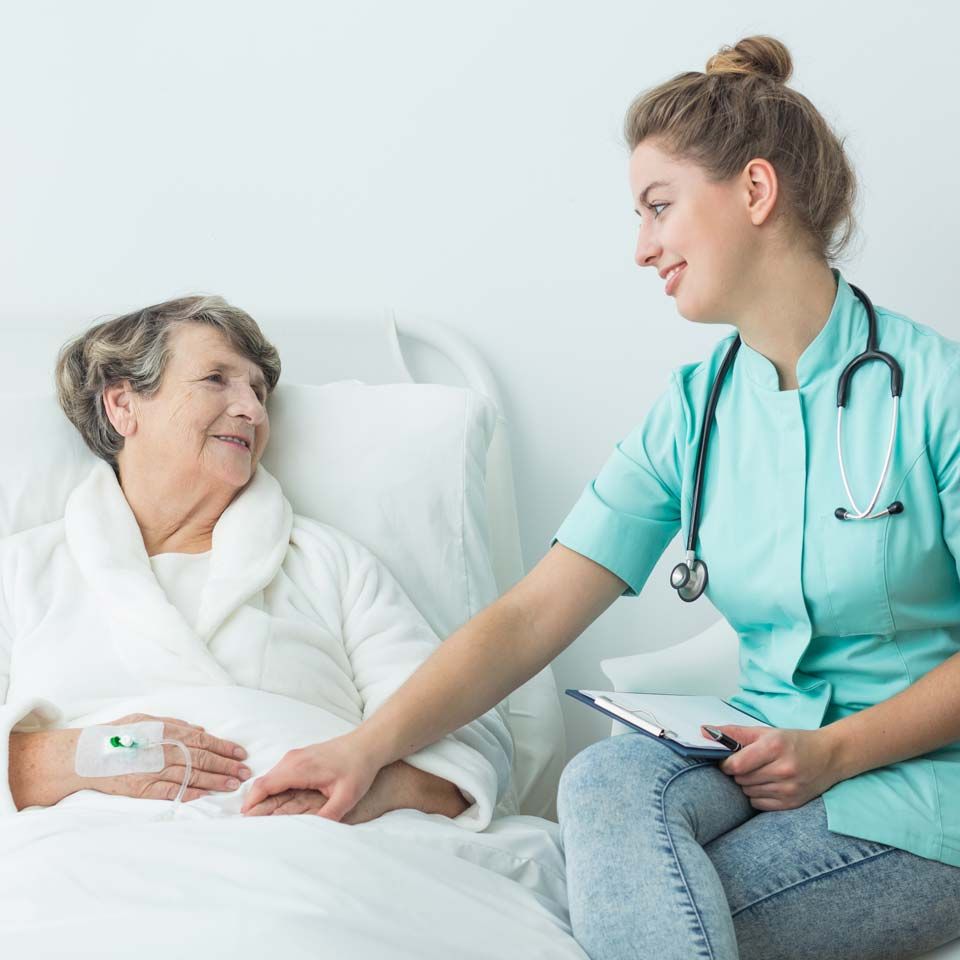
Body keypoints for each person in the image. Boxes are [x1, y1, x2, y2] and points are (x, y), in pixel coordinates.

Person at [240, 35, 960, 959]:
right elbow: (533, 613)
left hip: (920, 787)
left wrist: (840, 752)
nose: (641, 248)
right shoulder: (695, 412)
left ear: (754, 191)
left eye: (659, 208)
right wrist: (366, 747)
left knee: (617, 908)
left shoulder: (934, 392)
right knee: (602, 781)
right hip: (759, 753)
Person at [2, 295, 511, 829]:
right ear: (123, 405)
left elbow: (460, 750)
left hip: (317, 853)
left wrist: (350, 795)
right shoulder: (19, 573)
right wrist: (110, 752)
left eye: (259, 391)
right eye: (217, 379)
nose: (253, 410)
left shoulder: (332, 566)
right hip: (87, 859)